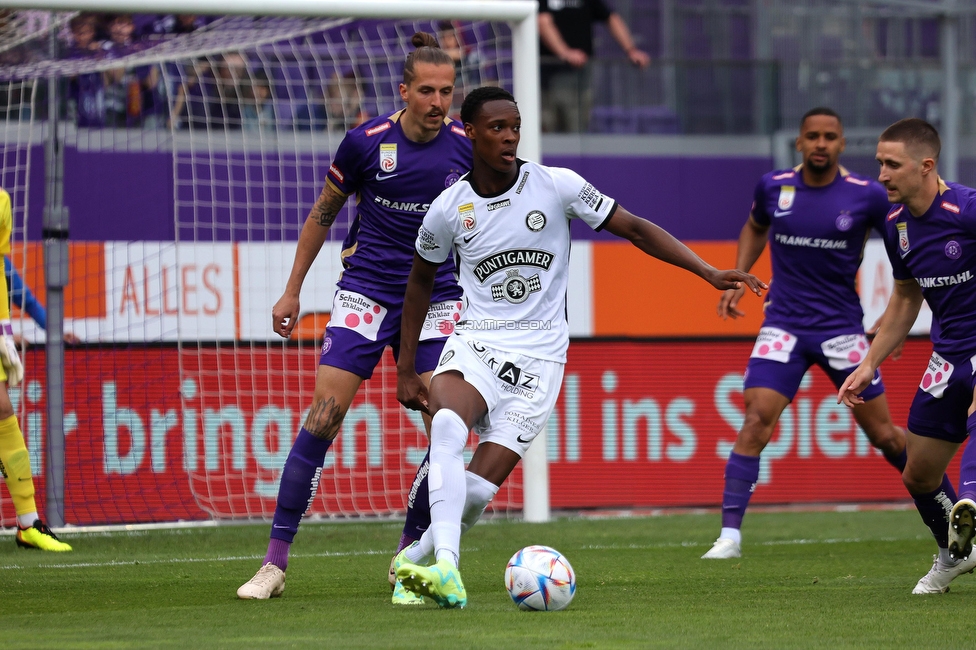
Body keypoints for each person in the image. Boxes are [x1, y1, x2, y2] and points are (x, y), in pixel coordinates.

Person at [392, 86, 765, 608]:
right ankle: (448, 570)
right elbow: (418, 284)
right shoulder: (448, 210)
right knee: (449, 428)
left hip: (541, 358)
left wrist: (705, 271)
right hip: (475, 341)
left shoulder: (556, 185)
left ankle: (411, 564)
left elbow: (633, 227)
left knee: (476, 491)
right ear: (470, 132)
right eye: (496, 127)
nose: (509, 136)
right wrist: (407, 367)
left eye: (514, 126)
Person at [236, 33, 471, 602]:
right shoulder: (366, 143)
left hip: (438, 299)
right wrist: (292, 290)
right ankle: (274, 564)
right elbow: (323, 215)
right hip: (367, 292)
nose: (438, 103)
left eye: (446, 91)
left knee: (445, 431)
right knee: (323, 417)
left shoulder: (468, 148)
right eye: (426, 92)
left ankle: (408, 555)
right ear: (404, 92)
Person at [701, 107, 926, 560]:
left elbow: (908, 246)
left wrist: (895, 315)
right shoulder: (773, 187)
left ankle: (944, 509)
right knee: (756, 420)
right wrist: (740, 275)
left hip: (841, 328)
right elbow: (755, 226)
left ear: (842, 144)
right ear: (799, 143)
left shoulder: (867, 195)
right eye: (812, 137)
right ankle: (729, 537)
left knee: (884, 435)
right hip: (783, 323)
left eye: (830, 137)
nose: (820, 144)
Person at [839, 117, 976, 594]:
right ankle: (957, 550)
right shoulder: (898, 227)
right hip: (949, 355)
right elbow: (904, 297)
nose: (881, 174)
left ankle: (973, 507)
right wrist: (869, 362)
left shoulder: (968, 209)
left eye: (891, 164)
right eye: (878, 163)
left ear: (926, 166)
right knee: (918, 473)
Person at [0, 188, 71, 552]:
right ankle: (28, 522)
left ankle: (28, 523)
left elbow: (6, 275)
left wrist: (4, 329)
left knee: (2, 409)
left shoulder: (1, 202)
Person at [538, 0, 650, 133]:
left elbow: (610, 17)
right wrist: (565, 52)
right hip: (544, 75)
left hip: (578, 75)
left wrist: (631, 50)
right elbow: (542, 21)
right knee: (546, 126)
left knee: (575, 126)